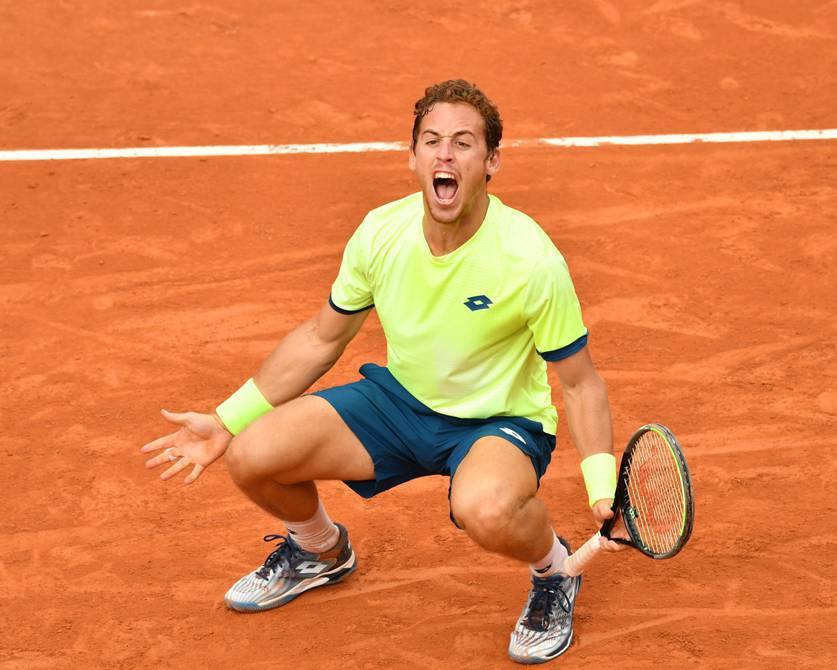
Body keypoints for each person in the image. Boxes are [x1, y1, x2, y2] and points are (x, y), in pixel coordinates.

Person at [141, 79, 623, 664]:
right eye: (432, 141)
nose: (445, 155)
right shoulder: (380, 233)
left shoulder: (530, 260)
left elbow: (578, 381)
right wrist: (225, 419)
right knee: (249, 454)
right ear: (413, 156)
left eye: (464, 143)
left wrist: (602, 486)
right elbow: (322, 337)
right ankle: (319, 551)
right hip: (398, 405)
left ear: (491, 161)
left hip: (496, 422)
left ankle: (554, 572)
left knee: (487, 509)